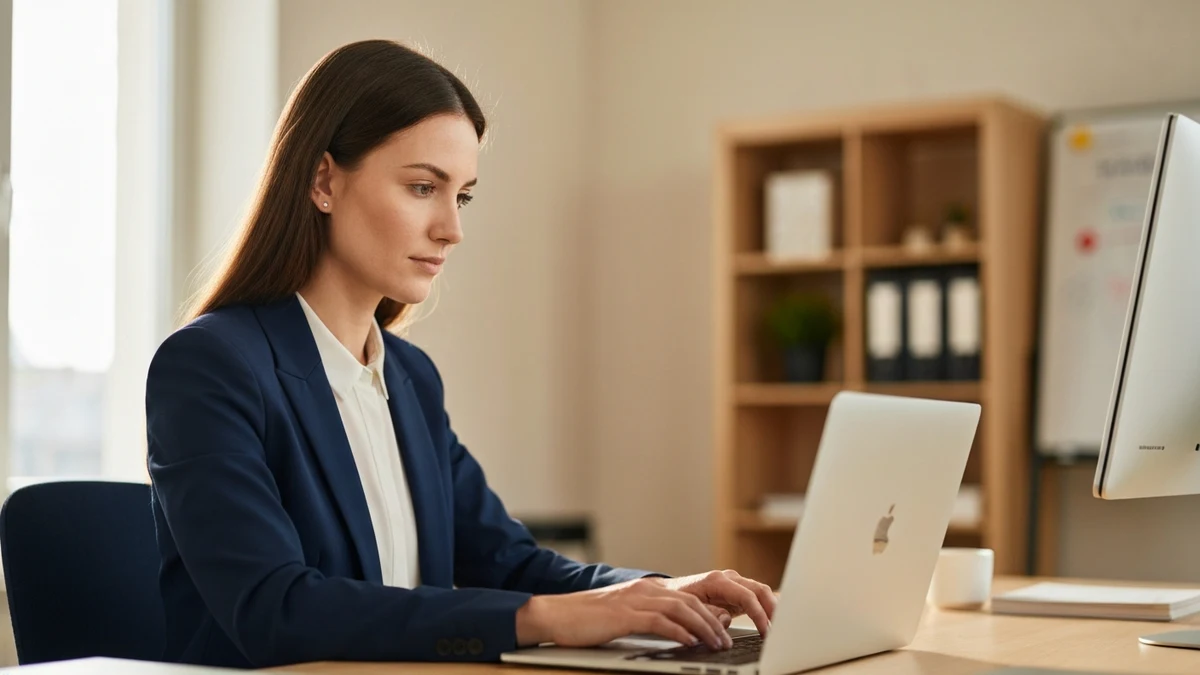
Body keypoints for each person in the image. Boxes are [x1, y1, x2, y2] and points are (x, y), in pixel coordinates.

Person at [145, 39, 775, 669]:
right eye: (423, 187)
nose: (452, 228)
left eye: (463, 195)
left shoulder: (410, 379)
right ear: (323, 181)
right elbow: (274, 609)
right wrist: (545, 618)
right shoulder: (211, 368)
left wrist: (657, 593)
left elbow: (509, 562)